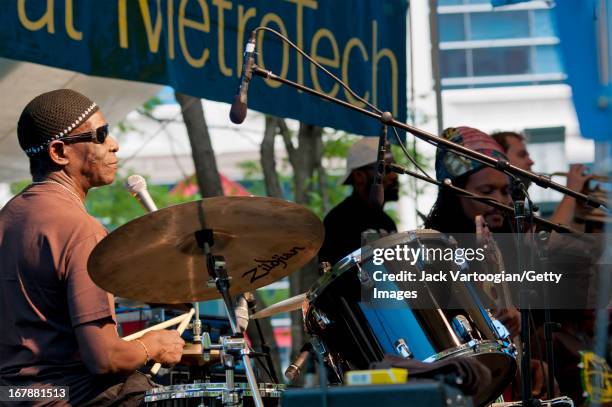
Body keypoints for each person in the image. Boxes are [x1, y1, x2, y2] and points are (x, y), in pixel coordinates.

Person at [0, 89, 184, 406]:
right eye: (100, 135)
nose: (114, 144)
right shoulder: (81, 229)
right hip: (61, 396)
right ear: (59, 152)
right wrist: (151, 345)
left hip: (11, 395)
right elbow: (104, 358)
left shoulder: (7, 218)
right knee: (144, 389)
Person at [318, 137, 399, 266]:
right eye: (386, 169)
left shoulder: (388, 223)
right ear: (359, 176)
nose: (394, 176)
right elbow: (333, 281)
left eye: (395, 169)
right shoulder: (338, 221)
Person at [491, 131, 592, 228]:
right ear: (501, 160)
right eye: (522, 155)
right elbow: (547, 241)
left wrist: (579, 214)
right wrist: (572, 190)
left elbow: (567, 243)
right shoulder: (502, 206)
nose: (531, 162)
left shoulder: (520, 204)